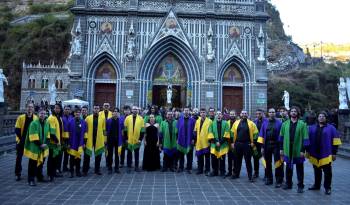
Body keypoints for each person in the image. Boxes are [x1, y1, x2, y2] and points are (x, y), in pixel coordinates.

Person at [307, 111, 342, 195]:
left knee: (327, 172)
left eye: (323, 116)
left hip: (326, 153)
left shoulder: (331, 128)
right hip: (315, 153)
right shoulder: (312, 127)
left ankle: (327, 188)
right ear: (317, 118)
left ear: (326, 118)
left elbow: (336, 141)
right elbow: (308, 140)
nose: (321, 117)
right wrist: (307, 151)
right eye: (319, 116)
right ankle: (316, 185)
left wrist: (334, 153)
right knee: (317, 171)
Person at [279, 106, 309, 193]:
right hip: (287, 148)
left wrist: (303, 150)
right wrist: (281, 149)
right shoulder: (285, 124)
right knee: (288, 168)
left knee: (300, 169)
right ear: (289, 113)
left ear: (298, 113)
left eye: (295, 111)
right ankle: (288, 183)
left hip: (298, 148)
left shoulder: (302, 124)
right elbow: (281, 137)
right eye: (292, 111)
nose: (293, 113)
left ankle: (300, 186)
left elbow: (305, 138)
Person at [257, 108, 283, 187]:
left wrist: (281, 147)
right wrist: (262, 147)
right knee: (267, 162)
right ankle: (269, 178)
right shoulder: (265, 123)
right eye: (270, 112)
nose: (272, 113)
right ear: (268, 113)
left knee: (278, 163)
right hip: (267, 145)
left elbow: (281, 135)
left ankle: (279, 180)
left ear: (275, 113)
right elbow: (261, 134)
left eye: (273, 112)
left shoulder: (279, 123)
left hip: (276, 145)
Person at [23, 108, 49, 186]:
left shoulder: (46, 123)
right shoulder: (33, 123)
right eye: (41, 113)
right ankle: (31, 179)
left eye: (44, 113)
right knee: (32, 164)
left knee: (41, 163)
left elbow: (48, 135)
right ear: (38, 114)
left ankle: (39, 176)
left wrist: (46, 143)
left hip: (43, 147)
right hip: (35, 147)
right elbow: (33, 136)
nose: (43, 115)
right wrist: (40, 144)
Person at [231, 110, 258, 182]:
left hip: (247, 144)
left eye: (245, 113)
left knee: (248, 161)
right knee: (237, 160)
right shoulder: (236, 123)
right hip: (238, 144)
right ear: (240, 114)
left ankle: (250, 176)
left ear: (247, 114)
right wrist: (232, 143)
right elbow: (232, 133)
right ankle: (236, 174)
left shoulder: (251, 123)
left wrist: (253, 142)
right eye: (242, 113)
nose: (244, 114)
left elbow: (256, 134)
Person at [14, 103, 37, 181]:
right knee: (19, 158)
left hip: (31, 141)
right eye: (29, 107)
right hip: (21, 140)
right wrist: (20, 140)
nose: (30, 108)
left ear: (33, 109)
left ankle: (31, 174)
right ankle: (18, 173)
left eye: (31, 107)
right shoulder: (21, 117)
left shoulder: (36, 118)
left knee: (32, 158)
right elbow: (17, 129)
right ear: (26, 108)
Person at [83, 105, 105, 176]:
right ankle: (85, 170)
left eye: (97, 108)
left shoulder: (102, 118)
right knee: (87, 155)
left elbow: (104, 130)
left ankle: (97, 170)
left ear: (99, 109)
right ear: (93, 109)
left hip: (99, 139)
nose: (96, 110)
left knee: (98, 155)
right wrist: (84, 140)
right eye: (95, 108)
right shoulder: (88, 118)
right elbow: (85, 129)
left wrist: (104, 139)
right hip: (89, 139)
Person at [208, 111, 230, 177]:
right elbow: (210, 133)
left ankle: (222, 172)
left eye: (220, 114)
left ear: (222, 116)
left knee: (222, 159)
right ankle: (215, 171)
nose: (218, 115)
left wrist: (220, 142)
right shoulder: (212, 124)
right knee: (213, 159)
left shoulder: (226, 123)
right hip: (214, 145)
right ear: (215, 115)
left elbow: (227, 134)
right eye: (217, 114)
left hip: (222, 144)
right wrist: (216, 142)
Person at [124, 106, 145, 173]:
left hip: (137, 140)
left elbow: (142, 130)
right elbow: (125, 129)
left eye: (136, 109)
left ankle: (136, 167)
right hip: (129, 139)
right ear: (131, 110)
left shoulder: (141, 118)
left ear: (138, 111)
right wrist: (126, 139)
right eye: (133, 109)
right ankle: (129, 167)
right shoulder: (127, 118)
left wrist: (140, 139)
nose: (135, 110)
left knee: (137, 153)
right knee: (129, 154)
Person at [47, 103, 64, 181]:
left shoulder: (59, 117)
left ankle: (54, 172)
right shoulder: (51, 118)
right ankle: (50, 174)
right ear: (53, 109)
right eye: (56, 108)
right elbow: (52, 132)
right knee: (51, 158)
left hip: (58, 141)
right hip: (53, 142)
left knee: (56, 158)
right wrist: (57, 141)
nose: (57, 109)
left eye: (59, 108)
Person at [67, 108, 86, 178]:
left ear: (80, 113)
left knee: (78, 158)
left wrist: (84, 143)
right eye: (76, 112)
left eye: (79, 112)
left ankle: (78, 171)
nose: (77, 113)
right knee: (72, 158)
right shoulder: (70, 121)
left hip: (80, 143)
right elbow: (68, 134)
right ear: (74, 113)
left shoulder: (83, 122)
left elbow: (85, 134)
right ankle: (71, 172)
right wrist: (68, 143)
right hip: (72, 143)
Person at [176, 107, 195, 173]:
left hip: (189, 139)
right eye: (185, 110)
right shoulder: (180, 120)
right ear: (183, 111)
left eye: (187, 110)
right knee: (181, 154)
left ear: (189, 111)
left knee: (189, 155)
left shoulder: (192, 120)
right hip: (181, 139)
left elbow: (194, 130)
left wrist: (193, 138)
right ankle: (181, 167)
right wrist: (177, 139)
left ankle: (189, 168)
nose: (186, 111)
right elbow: (177, 130)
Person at [194, 108, 212, 176]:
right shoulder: (197, 121)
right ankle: (200, 169)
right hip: (199, 142)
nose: (202, 113)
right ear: (200, 113)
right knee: (199, 157)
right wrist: (195, 139)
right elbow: (195, 131)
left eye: (204, 112)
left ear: (206, 113)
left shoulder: (209, 121)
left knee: (207, 158)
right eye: (201, 112)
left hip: (206, 142)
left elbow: (211, 132)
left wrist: (210, 141)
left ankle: (207, 170)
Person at [106, 108, 124, 174]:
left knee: (117, 154)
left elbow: (122, 131)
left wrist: (122, 139)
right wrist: (105, 140)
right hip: (110, 140)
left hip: (118, 140)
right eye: (114, 111)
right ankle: (110, 168)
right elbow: (106, 131)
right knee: (110, 154)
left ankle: (117, 168)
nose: (115, 112)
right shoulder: (108, 121)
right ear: (112, 113)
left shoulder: (121, 121)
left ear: (118, 113)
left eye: (116, 111)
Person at [253, 109, 267, 178]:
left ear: (263, 114)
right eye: (257, 114)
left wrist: (263, 145)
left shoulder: (266, 121)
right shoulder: (254, 121)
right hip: (256, 144)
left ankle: (266, 173)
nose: (258, 115)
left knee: (264, 158)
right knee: (255, 158)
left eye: (259, 114)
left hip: (263, 144)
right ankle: (256, 172)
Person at [60, 105, 73, 172]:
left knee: (67, 154)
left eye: (68, 109)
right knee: (60, 154)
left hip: (69, 138)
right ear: (63, 110)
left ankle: (65, 167)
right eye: (66, 109)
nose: (67, 110)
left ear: (70, 110)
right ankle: (58, 168)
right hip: (62, 138)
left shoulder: (72, 117)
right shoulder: (61, 117)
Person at [226, 110, 237, 178]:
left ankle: (235, 172)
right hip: (228, 143)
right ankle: (229, 171)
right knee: (229, 158)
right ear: (229, 115)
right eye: (231, 114)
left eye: (233, 114)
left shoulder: (238, 122)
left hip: (236, 143)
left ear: (235, 115)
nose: (232, 115)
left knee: (235, 158)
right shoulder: (227, 123)